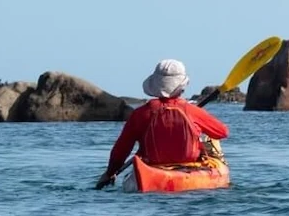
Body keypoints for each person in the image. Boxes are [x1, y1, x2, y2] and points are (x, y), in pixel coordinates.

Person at [94, 60, 230, 189]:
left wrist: (110, 172)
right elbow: (222, 132)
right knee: (209, 141)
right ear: (182, 87)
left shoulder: (140, 114)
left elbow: (122, 149)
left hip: (151, 168)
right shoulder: (192, 111)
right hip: (189, 167)